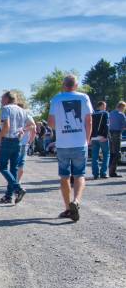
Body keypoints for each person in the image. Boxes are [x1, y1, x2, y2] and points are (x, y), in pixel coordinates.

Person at [48, 75, 93, 221]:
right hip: (80, 142)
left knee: (64, 176)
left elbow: (51, 123)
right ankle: (76, 201)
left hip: (63, 144)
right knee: (79, 174)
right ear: (76, 85)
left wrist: (61, 128)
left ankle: (68, 208)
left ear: (63, 85)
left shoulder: (56, 99)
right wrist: (87, 139)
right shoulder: (84, 97)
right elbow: (89, 121)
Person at [0, 91, 32, 204]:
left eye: (2, 98)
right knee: (13, 169)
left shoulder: (6, 108)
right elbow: (31, 124)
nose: (1, 101)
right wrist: (22, 130)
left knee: (2, 167)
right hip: (18, 141)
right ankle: (8, 196)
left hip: (7, 140)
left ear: (7, 99)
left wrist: (0, 136)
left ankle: (18, 188)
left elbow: (6, 126)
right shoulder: (22, 110)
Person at [16, 100, 36, 182]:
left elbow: (33, 127)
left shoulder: (23, 116)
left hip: (18, 142)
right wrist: (30, 141)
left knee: (16, 163)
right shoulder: (26, 115)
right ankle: (17, 182)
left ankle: (15, 181)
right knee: (20, 164)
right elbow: (34, 129)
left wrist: (23, 129)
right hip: (23, 143)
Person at [90, 101, 110, 179]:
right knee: (106, 155)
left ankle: (95, 174)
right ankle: (103, 173)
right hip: (102, 137)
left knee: (94, 156)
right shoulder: (105, 113)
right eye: (104, 106)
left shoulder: (92, 114)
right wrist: (105, 136)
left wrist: (90, 137)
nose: (105, 107)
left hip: (93, 137)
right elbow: (107, 125)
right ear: (101, 106)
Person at [108, 101, 126, 177]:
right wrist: (121, 132)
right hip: (117, 133)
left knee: (112, 153)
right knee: (117, 153)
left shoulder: (111, 113)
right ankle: (112, 172)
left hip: (110, 134)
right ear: (122, 107)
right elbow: (124, 126)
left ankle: (109, 171)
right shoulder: (121, 115)